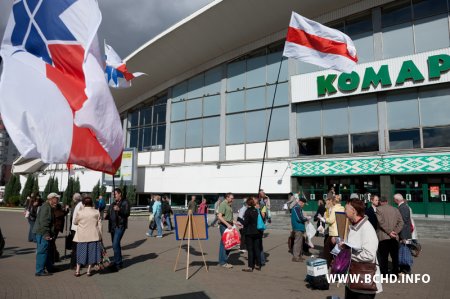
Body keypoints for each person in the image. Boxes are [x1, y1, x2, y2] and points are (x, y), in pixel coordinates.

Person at [341, 198, 382, 298]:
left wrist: (348, 254)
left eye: (346, 209)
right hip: (353, 280)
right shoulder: (354, 226)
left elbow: (369, 255)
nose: (344, 211)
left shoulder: (367, 228)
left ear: (354, 211)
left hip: (364, 283)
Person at [73, 196, 102, 277]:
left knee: (80, 254)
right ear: (92, 203)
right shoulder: (96, 212)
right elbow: (100, 225)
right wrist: (100, 236)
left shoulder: (80, 212)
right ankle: (89, 271)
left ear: (83, 203)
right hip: (93, 236)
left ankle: (78, 271)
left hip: (82, 237)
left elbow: (75, 222)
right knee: (91, 254)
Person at [376, 196, 404, 276]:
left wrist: (389, 232)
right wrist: (395, 232)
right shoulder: (395, 209)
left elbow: (381, 222)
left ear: (380, 202)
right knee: (395, 256)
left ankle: (384, 273)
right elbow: (401, 222)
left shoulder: (379, 209)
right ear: (387, 201)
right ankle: (395, 273)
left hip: (384, 237)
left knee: (384, 257)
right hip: (394, 237)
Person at [104, 188, 130, 271]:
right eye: (113, 194)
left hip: (120, 225)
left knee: (115, 244)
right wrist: (105, 216)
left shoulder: (125, 202)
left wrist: (120, 209)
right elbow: (109, 214)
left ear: (120, 194)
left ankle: (117, 263)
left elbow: (127, 213)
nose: (113, 196)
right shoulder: (113, 204)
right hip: (112, 226)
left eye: (115, 194)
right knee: (115, 245)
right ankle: (118, 262)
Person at [33, 193, 59, 276]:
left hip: (43, 232)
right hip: (42, 233)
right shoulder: (46, 207)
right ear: (51, 199)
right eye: (56, 198)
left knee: (46, 250)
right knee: (42, 251)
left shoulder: (48, 206)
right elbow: (44, 222)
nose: (57, 200)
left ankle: (49, 267)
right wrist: (46, 234)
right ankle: (39, 271)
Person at [320, 194, 345, 267]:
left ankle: (326, 267)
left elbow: (331, 220)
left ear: (334, 202)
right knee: (336, 250)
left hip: (333, 232)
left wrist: (324, 219)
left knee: (327, 251)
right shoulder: (342, 208)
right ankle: (338, 265)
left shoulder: (334, 208)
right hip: (340, 232)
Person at [242, 196, 262, 272]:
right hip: (257, 232)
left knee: (250, 250)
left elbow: (245, 222)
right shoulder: (257, 210)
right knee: (257, 249)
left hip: (249, 232)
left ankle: (250, 266)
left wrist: (239, 220)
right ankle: (258, 264)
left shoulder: (248, 211)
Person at [394, 194, 412, 274]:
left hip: (404, 235)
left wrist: (403, 236)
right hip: (404, 234)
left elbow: (404, 222)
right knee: (403, 251)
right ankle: (403, 269)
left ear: (397, 200)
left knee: (405, 251)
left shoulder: (403, 207)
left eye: (394, 199)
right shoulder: (402, 207)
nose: (394, 201)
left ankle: (405, 270)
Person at [217, 192, 235, 269]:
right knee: (225, 244)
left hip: (229, 225)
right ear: (227, 197)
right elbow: (219, 216)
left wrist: (236, 222)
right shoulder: (223, 204)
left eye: (233, 198)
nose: (232, 199)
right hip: (225, 226)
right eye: (231, 198)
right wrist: (227, 224)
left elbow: (229, 217)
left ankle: (223, 261)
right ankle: (223, 262)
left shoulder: (228, 204)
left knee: (228, 243)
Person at [291, 197, 310, 262]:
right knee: (297, 242)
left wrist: (305, 218)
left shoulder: (298, 208)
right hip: (298, 227)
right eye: (304, 203)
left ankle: (299, 256)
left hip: (300, 227)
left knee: (300, 243)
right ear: (301, 202)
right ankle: (296, 257)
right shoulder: (296, 208)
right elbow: (299, 218)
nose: (304, 205)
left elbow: (300, 217)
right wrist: (306, 219)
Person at [70, 193, 83, 269]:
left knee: (76, 247)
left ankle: (76, 263)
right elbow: (77, 218)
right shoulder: (79, 205)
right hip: (77, 228)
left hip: (74, 228)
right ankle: (74, 264)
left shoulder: (75, 205)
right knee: (76, 248)